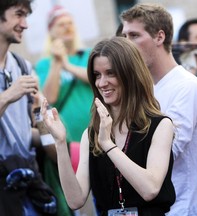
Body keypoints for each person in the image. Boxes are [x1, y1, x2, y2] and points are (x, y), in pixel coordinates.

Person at [41, 36, 176, 216]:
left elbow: (150, 189)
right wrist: (60, 143)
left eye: (110, 73)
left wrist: (108, 145)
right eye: (97, 75)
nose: (102, 83)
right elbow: (75, 200)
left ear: (130, 74)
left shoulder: (160, 125)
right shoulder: (90, 135)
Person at [120, 3, 197, 215]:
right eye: (125, 37)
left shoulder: (186, 86)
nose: (127, 45)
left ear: (159, 37)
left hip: (190, 208)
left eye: (134, 36)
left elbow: (168, 153)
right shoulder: (142, 89)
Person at [34, 5, 94, 216]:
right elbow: (49, 97)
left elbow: (94, 78)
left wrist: (67, 64)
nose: (67, 28)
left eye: (70, 23)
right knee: (79, 194)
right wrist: (57, 63)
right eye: (61, 25)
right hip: (69, 142)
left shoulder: (88, 54)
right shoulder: (44, 64)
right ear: (51, 31)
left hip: (94, 133)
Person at [0, 0, 57, 215]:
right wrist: (7, 96)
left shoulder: (23, 67)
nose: (25, 24)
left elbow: (28, 135)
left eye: (26, 16)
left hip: (29, 183)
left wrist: (40, 119)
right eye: (18, 14)